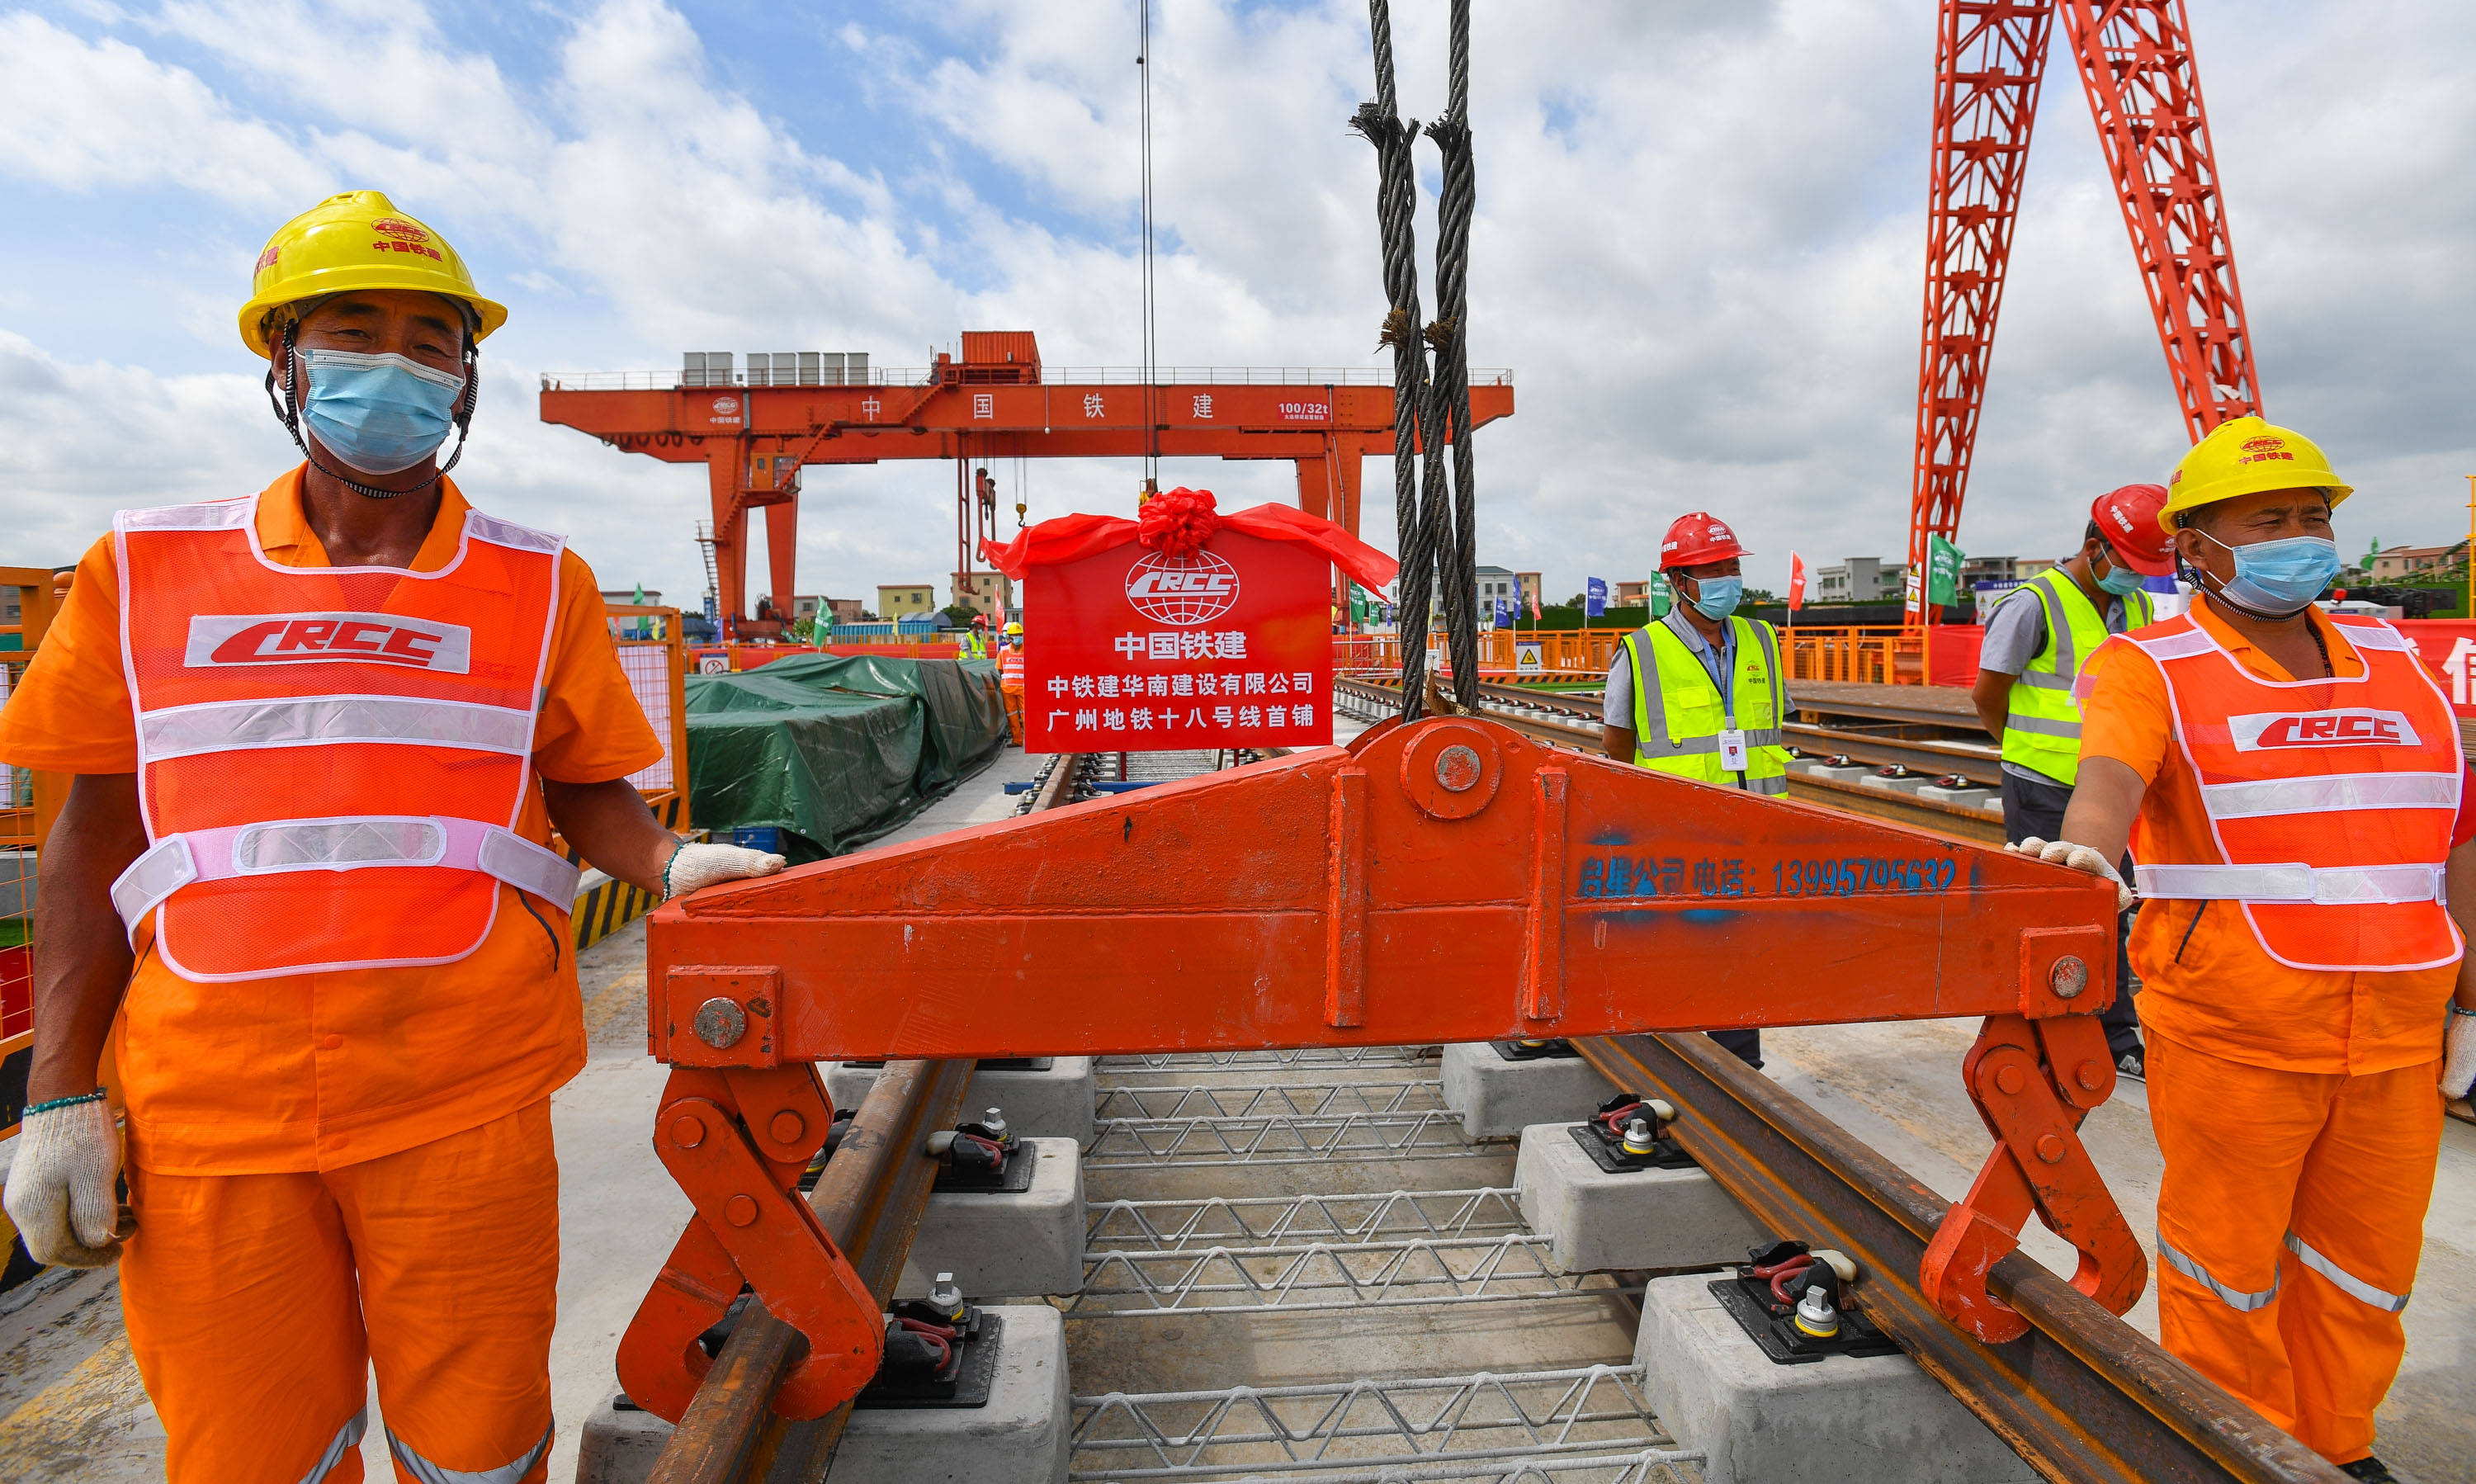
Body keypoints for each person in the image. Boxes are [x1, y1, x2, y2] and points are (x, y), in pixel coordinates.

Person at [0, 191, 789, 1484]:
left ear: (466, 375)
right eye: (355, 330)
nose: (398, 367)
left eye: (432, 340)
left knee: (475, 1450)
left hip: (461, 1092)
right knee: (251, 1455)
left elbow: (581, 782)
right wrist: (62, 1096)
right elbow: (90, 833)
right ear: (282, 359)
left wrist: (664, 862)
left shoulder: (539, 582)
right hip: (209, 1112)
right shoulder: (144, 571)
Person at [2020, 415, 2476, 1484]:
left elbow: (2458, 824)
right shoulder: (2150, 666)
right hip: (2236, 1028)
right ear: (2196, 544)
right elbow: (2108, 781)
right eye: (2269, 517)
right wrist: (2086, 855)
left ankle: (2335, 1446)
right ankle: (2237, 1452)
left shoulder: (2397, 660)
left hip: (2400, 1034)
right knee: (2226, 1268)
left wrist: (2473, 1000)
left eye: (2313, 515)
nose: (2300, 534)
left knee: (2364, 1271)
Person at [1970, 484, 2173, 1077]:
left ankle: (2111, 1029)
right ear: (2094, 548)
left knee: (2109, 905)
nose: (2138, 580)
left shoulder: (2134, 608)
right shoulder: (2033, 604)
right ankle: (2055, 1031)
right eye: (2131, 566)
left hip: (2111, 787)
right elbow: (1989, 693)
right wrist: (2021, 748)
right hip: (2043, 785)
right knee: (2056, 914)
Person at [1600, 511, 1791, 1068]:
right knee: (1679, 962)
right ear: (1678, 581)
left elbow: (1769, 732)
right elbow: (1618, 745)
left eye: (1731, 565)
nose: (1727, 578)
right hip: (1676, 842)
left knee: (1743, 961)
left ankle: (1738, 1071)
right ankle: (1669, 1067)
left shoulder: (1761, 639)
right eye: (1712, 569)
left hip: (1756, 837)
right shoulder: (1640, 651)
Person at [998, 620, 1028, 746]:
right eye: (1015, 635)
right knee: (1012, 715)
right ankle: (1017, 740)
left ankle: (1031, 740)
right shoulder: (1003, 651)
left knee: (1026, 714)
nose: (1018, 637)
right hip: (1008, 689)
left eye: (1020, 634)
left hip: (1023, 688)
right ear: (1010, 637)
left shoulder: (1027, 650)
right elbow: (1000, 669)